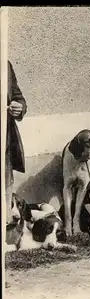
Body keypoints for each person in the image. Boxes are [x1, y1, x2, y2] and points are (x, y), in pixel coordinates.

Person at [5, 60, 27, 221]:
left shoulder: (5, 64)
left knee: (5, 189)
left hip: (4, 141)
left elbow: (17, 96)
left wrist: (19, 106)